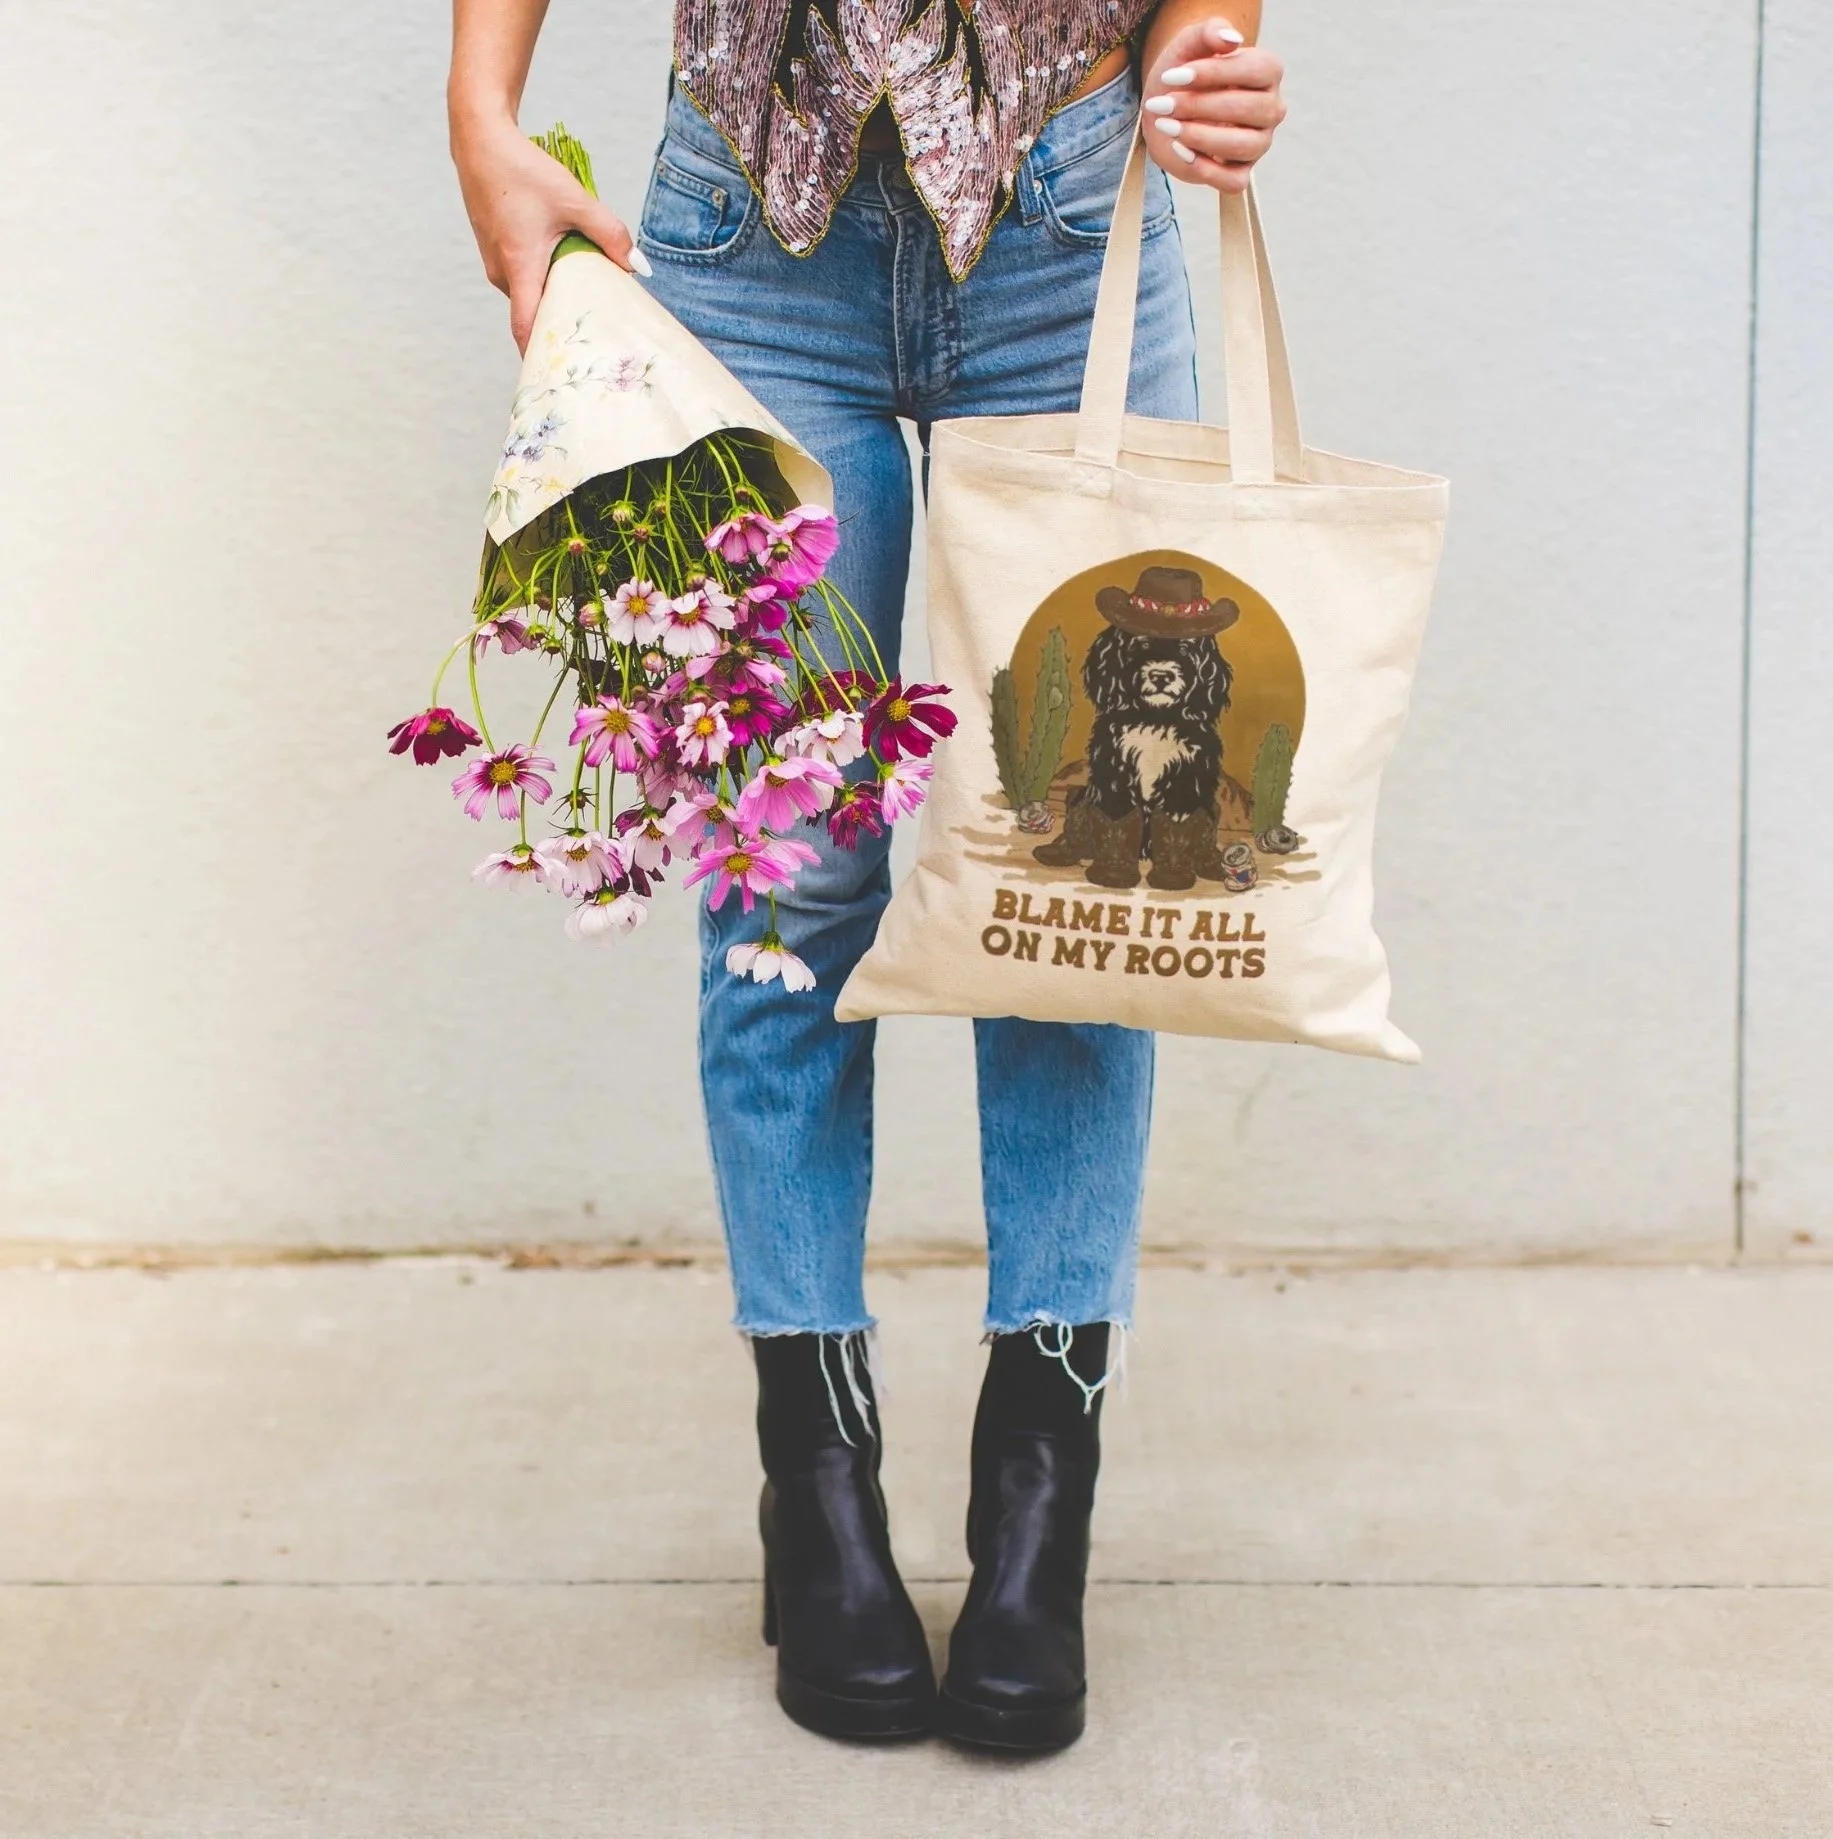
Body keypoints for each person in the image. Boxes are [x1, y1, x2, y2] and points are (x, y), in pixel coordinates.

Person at [449, 0, 1285, 1752]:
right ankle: (811, 1484)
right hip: (751, 227)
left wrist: (1210, 38)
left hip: (1073, 214)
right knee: (789, 882)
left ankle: (1035, 1496)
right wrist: (481, 106)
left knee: (1080, 883)